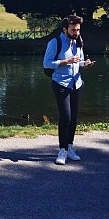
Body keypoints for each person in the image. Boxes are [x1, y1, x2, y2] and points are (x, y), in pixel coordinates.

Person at [43, 15, 95, 165]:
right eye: (73, 30)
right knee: (65, 116)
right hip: (61, 83)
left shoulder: (78, 41)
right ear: (65, 29)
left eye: (78, 30)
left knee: (74, 118)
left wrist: (86, 64)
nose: (76, 32)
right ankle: (62, 150)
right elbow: (47, 63)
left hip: (76, 83)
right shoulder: (55, 42)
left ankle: (70, 147)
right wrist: (66, 61)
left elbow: (79, 63)